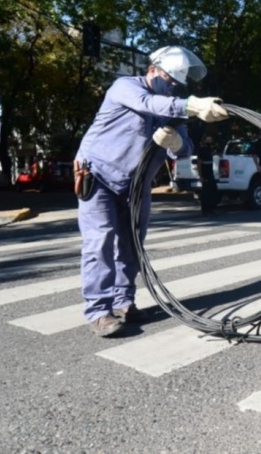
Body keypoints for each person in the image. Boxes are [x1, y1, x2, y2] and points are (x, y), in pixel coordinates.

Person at [74, 45, 228, 337]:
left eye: (177, 85)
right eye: (170, 81)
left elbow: (185, 151)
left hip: (137, 186)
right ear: (154, 69)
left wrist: (175, 143)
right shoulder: (126, 87)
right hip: (100, 178)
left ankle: (123, 303)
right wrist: (192, 105)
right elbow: (149, 103)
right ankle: (98, 310)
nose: (173, 88)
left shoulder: (170, 105)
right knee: (100, 243)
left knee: (132, 245)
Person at [197, 135, 219, 216]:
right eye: (208, 140)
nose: (210, 142)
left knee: (213, 191)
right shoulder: (202, 150)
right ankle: (205, 210)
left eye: (211, 140)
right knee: (206, 193)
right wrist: (201, 176)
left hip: (210, 173)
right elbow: (199, 163)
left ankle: (211, 208)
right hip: (205, 174)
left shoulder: (210, 150)